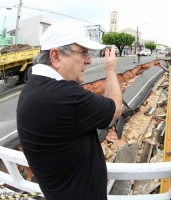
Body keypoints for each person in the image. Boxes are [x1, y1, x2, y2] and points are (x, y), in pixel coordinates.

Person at [16, 19, 122, 200]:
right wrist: (110, 69)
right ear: (56, 56)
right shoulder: (66, 97)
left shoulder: (33, 86)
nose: (89, 60)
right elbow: (115, 108)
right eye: (83, 52)